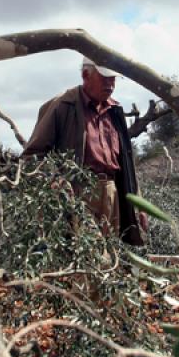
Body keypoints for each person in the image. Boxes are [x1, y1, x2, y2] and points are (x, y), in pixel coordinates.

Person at [23, 57, 145, 246]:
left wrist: (139, 205)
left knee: (112, 256)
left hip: (112, 193)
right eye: (105, 78)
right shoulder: (62, 105)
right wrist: (57, 182)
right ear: (85, 75)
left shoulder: (115, 110)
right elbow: (32, 156)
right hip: (79, 194)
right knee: (91, 258)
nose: (110, 84)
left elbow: (127, 165)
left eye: (113, 78)